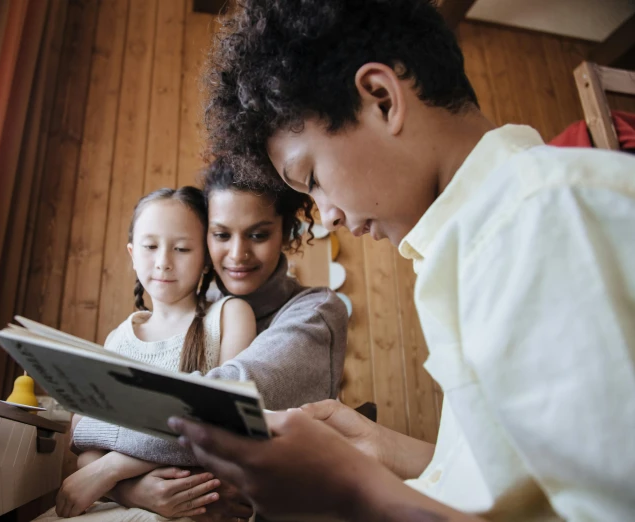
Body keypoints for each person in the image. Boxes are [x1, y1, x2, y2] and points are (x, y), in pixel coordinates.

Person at [168, 0, 635, 521]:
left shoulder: (537, 219)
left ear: (382, 100)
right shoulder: (476, 240)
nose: (327, 217)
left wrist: (355, 489)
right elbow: (521, 490)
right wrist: (381, 453)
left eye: (313, 179)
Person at [66, 161, 349, 520]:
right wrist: (132, 490)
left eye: (258, 235)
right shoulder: (191, 315)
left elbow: (220, 405)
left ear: (286, 232)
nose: (237, 254)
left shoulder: (314, 311)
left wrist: (101, 448)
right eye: (220, 234)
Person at [53, 187, 258, 518]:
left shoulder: (230, 316)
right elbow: (86, 440)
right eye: (150, 247)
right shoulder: (117, 341)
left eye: (181, 248)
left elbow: (221, 424)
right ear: (132, 254)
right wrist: (133, 493)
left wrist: (113, 470)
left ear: (206, 259)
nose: (163, 262)